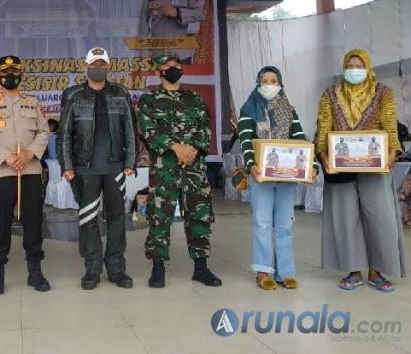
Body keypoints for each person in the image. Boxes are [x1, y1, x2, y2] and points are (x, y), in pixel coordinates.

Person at [318, 49, 406, 292]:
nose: (354, 70)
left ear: (367, 68)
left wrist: (391, 154)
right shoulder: (330, 95)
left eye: (359, 66)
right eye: (350, 65)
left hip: (375, 168)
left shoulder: (383, 93)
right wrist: (324, 155)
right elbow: (324, 127)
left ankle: (376, 271)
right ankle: (353, 270)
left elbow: (390, 127)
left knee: (380, 218)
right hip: (341, 168)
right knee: (346, 219)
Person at [137, 54, 221, 288]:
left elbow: (205, 128)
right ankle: (158, 269)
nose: (173, 68)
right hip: (165, 169)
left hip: (194, 168)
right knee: (160, 217)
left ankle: (201, 268)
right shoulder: (149, 99)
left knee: (199, 215)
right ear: (159, 71)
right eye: (167, 65)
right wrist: (175, 147)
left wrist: (191, 150)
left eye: (176, 65)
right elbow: (147, 130)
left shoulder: (194, 98)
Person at [57, 47, 136, 290]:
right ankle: (92, 269)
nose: (97, 67)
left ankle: (116, 269)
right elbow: (64, 134)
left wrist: (130, 163)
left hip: (115, 169)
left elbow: (131, 131)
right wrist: (66, 165)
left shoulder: (121, 93)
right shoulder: (73, 95)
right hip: (84, 169)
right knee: (88, 219)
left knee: (116, 218)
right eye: (94, 63)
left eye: (102, 63)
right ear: (85, 66)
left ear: (108, 67)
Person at [0, 55, 51, 295]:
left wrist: (30, 153)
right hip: (1, 172)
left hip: (29, 171)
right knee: (0, 225)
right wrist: (6, 157)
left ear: (21, 74)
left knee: (33, 223)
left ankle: (35, 272)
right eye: (5, 72)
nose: (10, 76)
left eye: (14, 71)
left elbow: (44, 131)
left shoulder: (32, 102)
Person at [238, 66, 312, 291]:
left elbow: (300, 140)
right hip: (260, 176)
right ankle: (263, 271)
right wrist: (251, 166)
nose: (269, 85)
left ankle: (285, 272)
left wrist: (311, 165)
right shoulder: (248, 109)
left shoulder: (289, 110)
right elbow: (246, 141)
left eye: (273, 80)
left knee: (284, 225)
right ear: (258, 84)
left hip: (286, 177)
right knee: (262, 223)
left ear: (280, 84)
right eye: (265, 81)